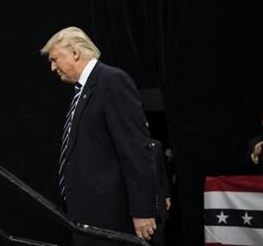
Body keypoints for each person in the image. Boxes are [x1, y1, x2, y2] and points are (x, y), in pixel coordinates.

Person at [40, 27, 156, 245]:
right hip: (86, 210)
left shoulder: (112, 81)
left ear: (75, 53)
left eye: (55, 59)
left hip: (109, 213)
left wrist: (143, 209)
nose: (53, 67)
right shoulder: (82, 90)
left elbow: (135, 148)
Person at [149, 138, 171, 246]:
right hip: (141, 201)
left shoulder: (156, 145)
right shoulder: (129, 144)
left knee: (159, 235)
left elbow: (162, 171)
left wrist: (167, 196)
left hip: (158, 198)